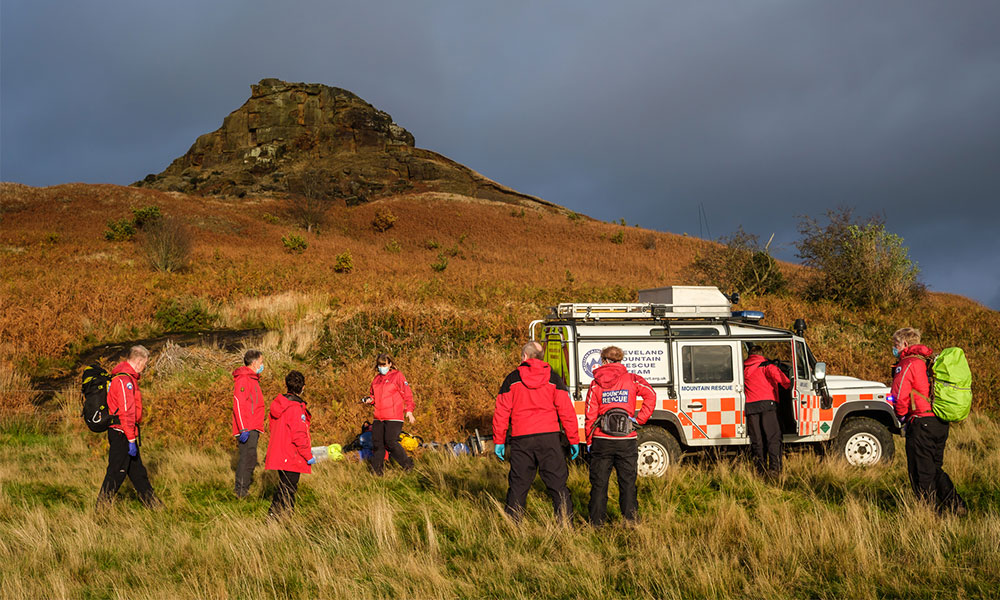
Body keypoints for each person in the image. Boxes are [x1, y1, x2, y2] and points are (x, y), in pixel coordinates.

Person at [493, 341, 580, 522]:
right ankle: (565, 524)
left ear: (525, 357)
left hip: (521, 438)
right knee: (557, 485)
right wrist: (573, 440)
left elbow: (501, 412)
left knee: (518, 485)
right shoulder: (554, 378)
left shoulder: (512, 379)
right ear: (541, 357)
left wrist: (499, 441)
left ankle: (513, 525)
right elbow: (567, 412)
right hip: (549, 438)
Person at [890, 327, 967, 515]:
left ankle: (929, 514)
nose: (894, 348)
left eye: (896, 344)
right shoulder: (930, 361)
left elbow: (899, 396)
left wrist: (901, 417)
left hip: (920, 423)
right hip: (940, 421)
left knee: (919, 471)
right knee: (933, 467)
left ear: (905, 344)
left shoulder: (907, 363)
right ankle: (956, 505)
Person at [584, 346, 656, 526]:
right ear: (620, 361)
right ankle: (630, 522)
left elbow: (590, 414)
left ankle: (596, 524)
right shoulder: (632, 379)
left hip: (602, 440)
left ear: (604, 361)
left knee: (599, 485)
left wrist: (589, 439)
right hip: (626, 440)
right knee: (628, 484)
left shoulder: (595, 383)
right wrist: (639, 420)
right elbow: (651, 395)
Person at [97, 345, 161, 507]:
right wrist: (131, 439)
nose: (145, 367)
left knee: (138, 473)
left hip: (124, 432)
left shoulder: (121, 377)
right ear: (139, 361)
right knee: (116, 472)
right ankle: (102, 508)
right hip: (122, 434)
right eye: (145, 363)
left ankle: (154, 505)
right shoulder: (125, 381)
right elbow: (127, 413)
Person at [264, 370, 315, 517]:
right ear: (303, 387)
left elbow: (273, 427)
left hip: (279, 452)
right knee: (287, 488)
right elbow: (299, 435)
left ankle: (287, 515)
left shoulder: (280, 403)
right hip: (291, 454)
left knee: (287, 486)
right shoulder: (295, 408)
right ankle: (273, 516)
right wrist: (307, 455)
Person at [361, 354, 415, 475]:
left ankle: (408, 465)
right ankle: (377, 472)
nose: (382, 367)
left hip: (394, 416)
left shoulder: (397, 376)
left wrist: (409, 411)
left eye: (384, 365)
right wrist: (370, 400)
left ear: (390, 364)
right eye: (379, 365)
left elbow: (407, 394)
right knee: (377, 444)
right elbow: (373, 396)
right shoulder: (376, 379)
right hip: (378, 417)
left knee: (391, 442)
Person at [743, 344, 790, 477]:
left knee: (757, 440)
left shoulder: (742, 368)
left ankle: (759, 470)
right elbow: (784, 382)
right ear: (761, 355)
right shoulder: (766, 366)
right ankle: (775, 469)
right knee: (773, 437)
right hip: (768, 405)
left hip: (751, 406)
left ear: (750, 355)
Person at [232, 349, 266, 498]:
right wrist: (243, 428)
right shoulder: (243, 379)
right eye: (261, 362)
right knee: (247, 458)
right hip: (247, 427)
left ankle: (244, 487)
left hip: (254, 426)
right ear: (254, 363)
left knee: (251, 459)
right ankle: (240, 491)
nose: (262, 365)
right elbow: (238, 404)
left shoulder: (253, 379)